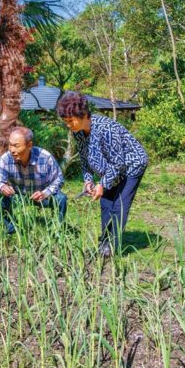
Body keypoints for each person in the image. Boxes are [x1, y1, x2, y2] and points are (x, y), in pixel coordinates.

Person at [57, 92, 148, 256]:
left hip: (131, 165)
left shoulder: (106, 129)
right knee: (106, 203)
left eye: (71, 121)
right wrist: (88, 180)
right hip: (110, 168)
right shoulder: (78, 132)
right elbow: (84, 158)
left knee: (119, 204)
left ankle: (113, 246)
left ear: (83, 115)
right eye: (66, 122)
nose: (68, 125)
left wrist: (103, 184)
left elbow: (119, 162)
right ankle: (105, 244)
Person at [0, 126, 67, 235]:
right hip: (18, 197)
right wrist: (2, 187)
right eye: (10, 145)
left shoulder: (45, 157)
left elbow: (59, 179)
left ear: (29, 145)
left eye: (16, 146)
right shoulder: (6, 158)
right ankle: (12, 229)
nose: (12, 150)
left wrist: (45, 193)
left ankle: (56, 231)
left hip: (41, 196)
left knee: (61, 198)